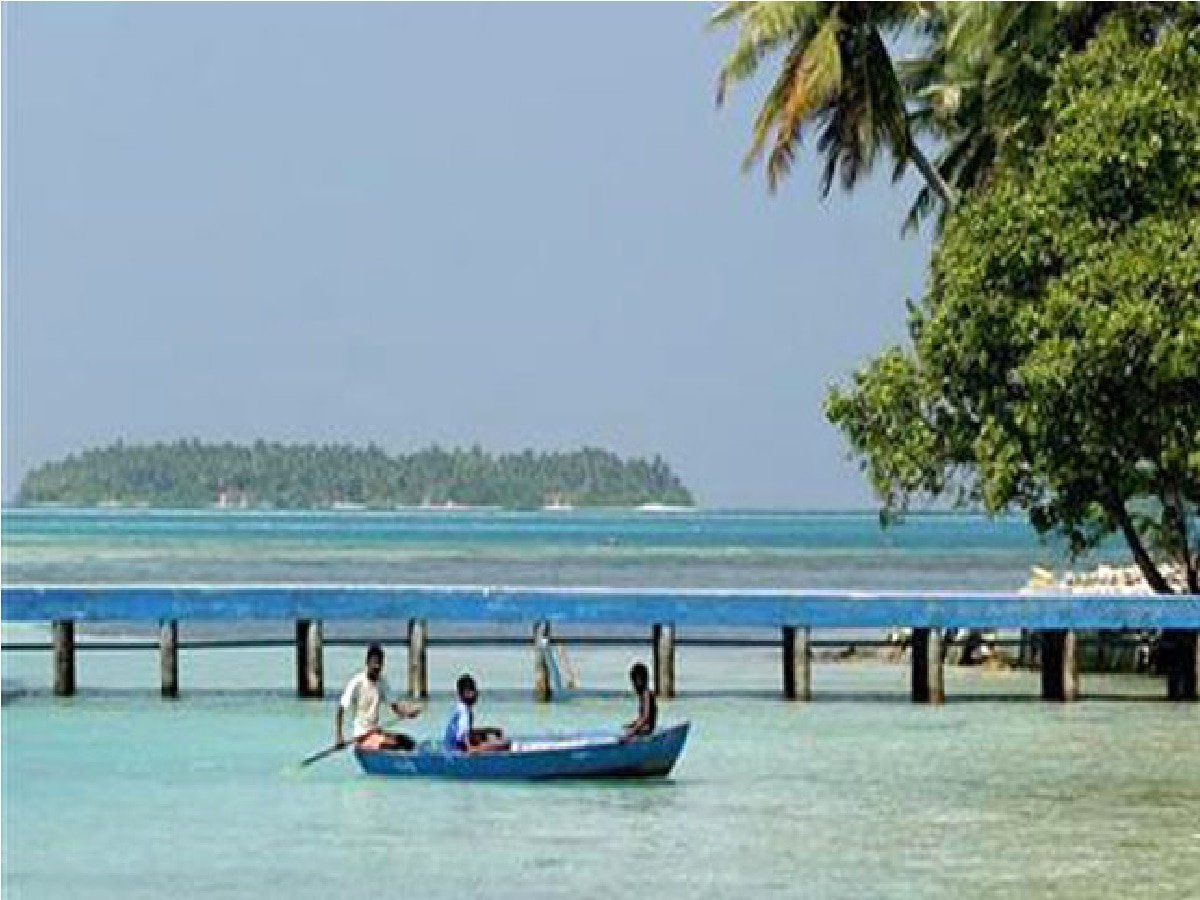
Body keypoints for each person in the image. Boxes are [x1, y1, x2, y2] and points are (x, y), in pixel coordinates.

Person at [335, 643, 421, 751]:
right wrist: (339, 737)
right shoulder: (357, 681)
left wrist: (408, 713)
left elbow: (395, 707)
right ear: (367, 662)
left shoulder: (382, 682)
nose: (377, 667)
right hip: (361, 735)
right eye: (374, 663)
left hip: (375, 732)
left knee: (407, 741)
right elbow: (341, 708)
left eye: (380, 663)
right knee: (391, 746)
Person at [443, 673, 509, 752]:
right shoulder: (464, 714)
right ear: (464, 694)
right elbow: (467, 746)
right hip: (458, 751)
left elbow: (466, 733)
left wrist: (488, 731)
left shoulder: (460, 709)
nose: (475, 694)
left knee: (492, 734)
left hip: (454, 747)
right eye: (471, 692)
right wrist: (497, 746)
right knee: (503, 745)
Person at [622, 662, 657, 740]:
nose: (634, 683)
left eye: (637, 680)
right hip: (644, 729)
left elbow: (645, 717)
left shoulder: (646, 694)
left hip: (646, 731)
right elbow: (642, 717)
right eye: (634, 680)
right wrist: (632, 724)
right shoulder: (644, 694)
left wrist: (633, 731)